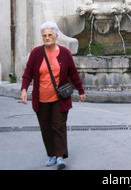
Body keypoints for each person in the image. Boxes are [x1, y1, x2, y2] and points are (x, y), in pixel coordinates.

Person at [21, 21, 86, 170]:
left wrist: (81, 91)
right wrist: (24, 89)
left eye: (50, 35)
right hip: (41, 98)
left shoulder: (65, 53)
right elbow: (28, 72)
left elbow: (73, 74)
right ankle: (51, 154)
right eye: (44, 36)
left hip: (59, 98)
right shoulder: (36, 53)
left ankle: (60, 157)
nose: (47, 38)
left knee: (58, 126)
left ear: (56, 36)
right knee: (46, 127)